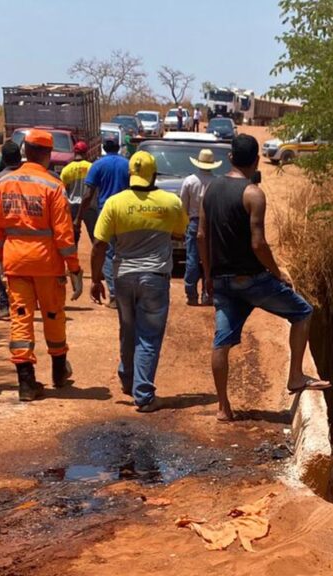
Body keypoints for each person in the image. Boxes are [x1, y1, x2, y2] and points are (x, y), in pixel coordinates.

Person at [199, 134, 330, 422]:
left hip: (221, 281)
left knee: (221, 343)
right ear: (256, 160)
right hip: (251, 280)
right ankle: (295, 377)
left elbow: (201, 236)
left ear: (230, 158)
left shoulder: (210, 189)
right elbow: (258, 244)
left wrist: (207, 276)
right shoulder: (253, 194)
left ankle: (223, 408)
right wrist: (277, 272)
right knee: (303, 312)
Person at [0, 129, 84, 402]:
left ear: (24, 151)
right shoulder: (53, 186)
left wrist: (0, 259)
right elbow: (64, 237)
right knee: (53, 316)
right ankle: (58, 372)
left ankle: (26, 383)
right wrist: (74, 269)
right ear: (49, 155)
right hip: (47, 264)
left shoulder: (4, 183)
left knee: (21, 318)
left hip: (15, 263)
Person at [91, 151, 187, 413]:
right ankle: (143, 395)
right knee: (149, 336)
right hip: (154, 278)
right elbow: (181, 231)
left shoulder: (114, 203)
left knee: (127, 327)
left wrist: (96, 277)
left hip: (122, 277)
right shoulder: (171, 202)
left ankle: (128, 379)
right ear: (154, 174)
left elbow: (99, 243)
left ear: (130, 175)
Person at [78, 134, 129, 308]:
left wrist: (79, 217)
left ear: (103, 147)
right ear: (118, 146)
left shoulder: (97, 165)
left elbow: (88, 195)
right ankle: (126, 294)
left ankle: (114, 294)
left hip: (105, 214)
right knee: (123, 252)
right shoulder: (127, 164)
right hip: (125, 213)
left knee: (107, 252)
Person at [179, 148, 220, 305]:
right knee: (208, 260)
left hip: (194, 221)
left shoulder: (190, 181)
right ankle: (208, 293)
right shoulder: (216, 182)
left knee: (192, 258)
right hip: (211, 223)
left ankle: (191, 294)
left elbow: (183, 206)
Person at [0, 140, 22, 321]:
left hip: (3, 232)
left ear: (4, 159)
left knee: (2, 267)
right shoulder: (26, 176)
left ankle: (4, 306)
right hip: (23, 231)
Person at [59, 141, 94, 247]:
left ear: (74, 153)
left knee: (73, 238)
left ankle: (73, 261)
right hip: (89, 205)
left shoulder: (66, 169)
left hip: (73, 206)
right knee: (94, 236)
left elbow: (63, 191)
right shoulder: (91, 167)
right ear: (86, 153)